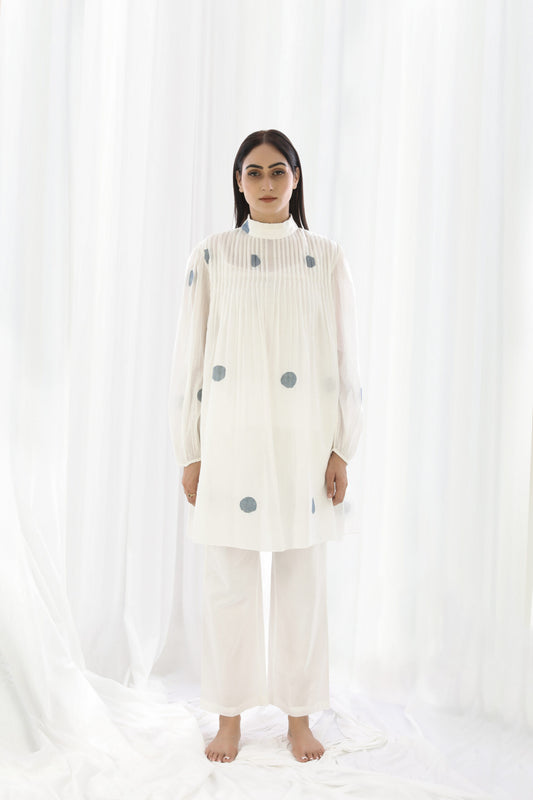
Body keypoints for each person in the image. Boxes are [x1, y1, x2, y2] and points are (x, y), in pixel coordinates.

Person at [168, 129, 363, 764]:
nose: (267, 183)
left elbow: (346, 358)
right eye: (254, 172)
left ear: (296, 178)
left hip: (304, 444)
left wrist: (342, 448)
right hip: (229, 441)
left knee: (302, 582)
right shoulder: (213, 254)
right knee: (229, 582)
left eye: (278, 171)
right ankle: (228, 718)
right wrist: (190, 451)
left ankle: (299, 718)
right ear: (239, 182)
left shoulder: (325, 257)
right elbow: (189, 359)